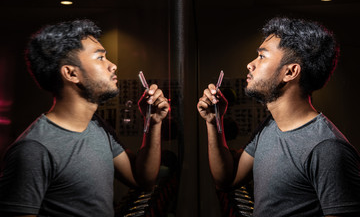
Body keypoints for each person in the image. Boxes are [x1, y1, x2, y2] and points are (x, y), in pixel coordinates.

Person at [0, 19, 169, 216]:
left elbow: (143, 180)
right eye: (100, 58)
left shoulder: (97, 126)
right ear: (71, 74)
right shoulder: (34, 149)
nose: (113, 65)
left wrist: (153, 121)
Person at [197, 17, 360, 216]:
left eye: (262, 56)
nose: (250, 64)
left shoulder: (326, 148)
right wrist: (214, 122)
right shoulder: (270, 126)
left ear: (290, 72)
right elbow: (227, 179)